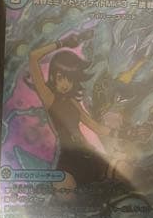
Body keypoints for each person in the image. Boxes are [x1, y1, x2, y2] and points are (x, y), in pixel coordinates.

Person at [29, 30, 112, 189]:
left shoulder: (72, 101)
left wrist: (123, 132)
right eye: (60, 78)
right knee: (67, 193)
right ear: (53, 77)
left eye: (70, 79)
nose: (65, 84)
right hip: (69, 158)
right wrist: (62, 43)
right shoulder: (49, 97)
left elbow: (94, 126)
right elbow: (33, 57)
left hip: (89, 153)